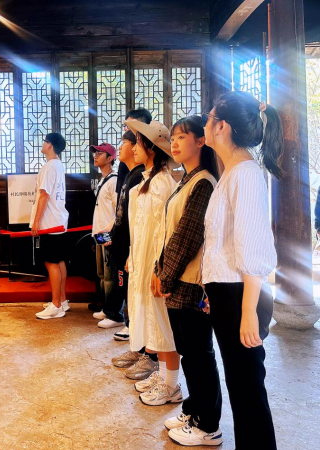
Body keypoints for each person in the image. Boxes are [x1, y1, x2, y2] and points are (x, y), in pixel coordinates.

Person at [190, 91, 282, 449]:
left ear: (222, 127)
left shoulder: (245, 173)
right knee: (241, 387)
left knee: (247, 390)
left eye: (209, 118)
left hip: (242, 295)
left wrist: (246, 312)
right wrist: (211, 292)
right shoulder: (233, 172)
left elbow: (252, 246)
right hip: (228, 294)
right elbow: (223, 244)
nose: (205, 125)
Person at [145, 116, 223, 444]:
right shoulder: (188, 179)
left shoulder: (204, 182)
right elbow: (171, 233)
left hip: (192, 284)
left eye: (181, 136)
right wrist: (159, 269)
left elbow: (188, 237)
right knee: (190, 353)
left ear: (201, 141)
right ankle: (194, 409)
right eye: (173, 137)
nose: (174, 143)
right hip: (179, 280)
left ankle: (209, 426)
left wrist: (165, 276)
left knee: (199, 354)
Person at [119, 120, 178, 384]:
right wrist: (133, 255)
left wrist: (158, 267)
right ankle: (159, 372)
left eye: (138, 143)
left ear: (151, 148)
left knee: (159, 319)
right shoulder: (146, 182)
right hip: (142, 259)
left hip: (154, 263)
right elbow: (140, 228)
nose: (133, 148)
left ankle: (167, 380)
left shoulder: (161, 183)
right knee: (148, 314)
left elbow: (162, 232)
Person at [89, 108, 152, 313]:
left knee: (117, 275)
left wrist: (114, 230)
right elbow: (121, 205)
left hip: (124, 234)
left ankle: (116, 313)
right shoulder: (126, 172)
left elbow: (126, 209)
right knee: (105, 273)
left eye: (129, 127)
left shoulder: (140, 174)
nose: (125, 131)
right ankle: (110, 309)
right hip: (110, 229)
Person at [104, 131, 145, 340]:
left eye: (126, 143)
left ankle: (131, 325)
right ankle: (130, 323)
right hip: (121, 242)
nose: (121, 147)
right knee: (123, 283)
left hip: (130, 244)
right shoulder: (130, 174)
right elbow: (122, 212)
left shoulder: (140, 175)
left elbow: (137, 217)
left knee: (128, 284)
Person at [32, 133, 70, 320]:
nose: (43, 143)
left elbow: (44, 195)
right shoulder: (58, 165)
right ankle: (62, 300)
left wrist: (36, 221)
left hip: (50, 222)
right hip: (58, 220)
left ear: (50, 145)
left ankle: (56, 306)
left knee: (51, 262)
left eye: (45, 141)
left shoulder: (50, 166)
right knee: (59, 260)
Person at [89, 143, 123, 328]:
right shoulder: (103, 180)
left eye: (100, 153)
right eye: (95, 152)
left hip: (108, 234)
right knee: (102, 274)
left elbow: (119, 210)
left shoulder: (114, 180)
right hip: (100, 233)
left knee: (111, 276)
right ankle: (106, 308)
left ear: (110, 158)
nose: (96, 155)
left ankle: (114, 314)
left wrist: (109, 232)